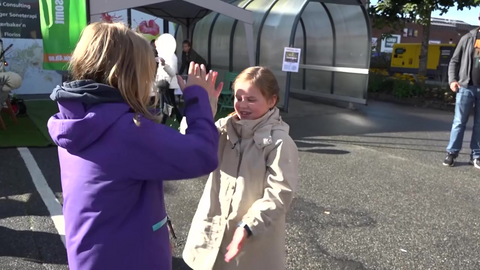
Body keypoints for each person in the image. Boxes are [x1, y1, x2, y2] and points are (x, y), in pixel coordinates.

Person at [47, 22, 221, 270]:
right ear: (126, 76)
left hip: (92, 253)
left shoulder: (75, 118)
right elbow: (202, 155)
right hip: (130, 257)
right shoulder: (128, 132)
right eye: (146, 74)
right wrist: (200, 103)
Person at [179, 66, 300, 269]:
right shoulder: (224, 128)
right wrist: (203, 110)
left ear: (272, 101)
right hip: (212, 233)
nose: (242, 105)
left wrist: (248, 226)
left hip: (251, 243)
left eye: (251, 99)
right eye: (238, 97)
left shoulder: (279, 142)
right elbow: (189, 147)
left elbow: (280, 193)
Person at [445, 24, 480, 169]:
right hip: (466, 87)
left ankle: (476, 156)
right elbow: (454, 61)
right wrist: (452, 80)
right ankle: (452, 153)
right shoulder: (468, 38)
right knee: (459, 122)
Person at [155, 34, 183, 124]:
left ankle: (167, 121)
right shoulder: (164, 56)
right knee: (168, 104)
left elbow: (172, 73)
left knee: (167, 104)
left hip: (168, 84)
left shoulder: (172, 57)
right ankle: (177, 120)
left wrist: (164, 65)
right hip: (163, 84)